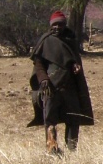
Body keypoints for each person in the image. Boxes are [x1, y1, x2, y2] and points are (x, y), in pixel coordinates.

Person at [28, 11, 94, 154]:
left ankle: (72, 150)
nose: (58, 27)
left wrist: (75, 66)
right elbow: (38, 65)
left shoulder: (70, 41)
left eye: (61, 24)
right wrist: (44, 79)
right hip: (51, 88)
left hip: (70, 88)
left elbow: (72, 60)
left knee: (73, 119)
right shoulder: (46, 41)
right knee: (50, 120)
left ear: (65, 25)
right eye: (55, 24)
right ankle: (52, 149)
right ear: (51, 25)